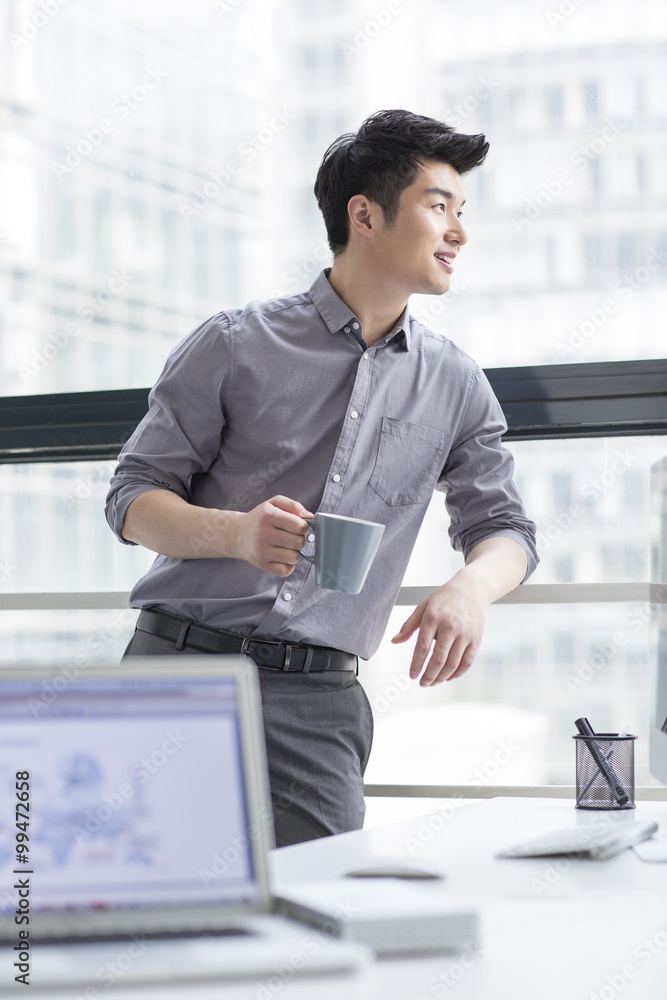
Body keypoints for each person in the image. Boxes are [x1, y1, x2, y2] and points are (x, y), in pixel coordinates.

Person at [105, 109, 538, 847]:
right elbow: (132, 499)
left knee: (324, 921)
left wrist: (470, 589)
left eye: (461, 212)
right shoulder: (234, 343)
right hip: (178, 670)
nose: (459, 232)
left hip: (318, 699)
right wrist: (235, 535)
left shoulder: (456, 383)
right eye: (439, 207)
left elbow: (505, 531)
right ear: (364, 214)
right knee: (143, 913)